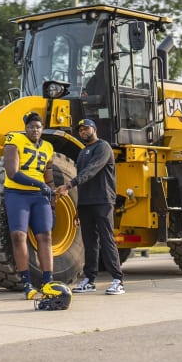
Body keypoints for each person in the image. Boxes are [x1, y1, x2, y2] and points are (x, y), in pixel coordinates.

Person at [55, 118, 125, 295]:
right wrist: (78, 208)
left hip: (102, 200)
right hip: (86, 203)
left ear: (94, 129)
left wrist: (68, 185)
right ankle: (90, 279)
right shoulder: (82, 152)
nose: (83, 132)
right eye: (80, 130)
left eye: (86, 128)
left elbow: (92, 170)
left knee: (106, 239)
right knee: (89, 242)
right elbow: (83, 181)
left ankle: (118, 280)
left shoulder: (103, 147)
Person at [3, 111, 55, 300]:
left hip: (39, 196)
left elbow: (48, 174)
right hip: (17, 193)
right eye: (31, 126)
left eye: (38, 127)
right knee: (18, 236)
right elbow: (12, 173)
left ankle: (48, 281)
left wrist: (52, 195)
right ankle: (26, 283)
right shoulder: (14, 139)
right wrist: (39, 184)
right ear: (25, 128)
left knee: (46, 236)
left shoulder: (48, 146)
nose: (35, 129)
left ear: (42, 129)